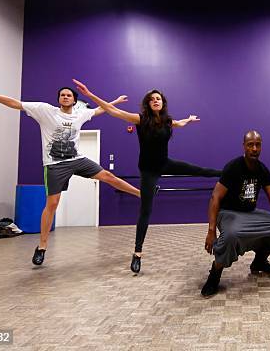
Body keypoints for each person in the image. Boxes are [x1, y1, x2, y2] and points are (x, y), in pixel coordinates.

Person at [0, 83, 140, 266]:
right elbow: (14, 103)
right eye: (62, 95)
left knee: (108, 176)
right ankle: (42, 247)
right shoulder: (45, 110)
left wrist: (116, 101)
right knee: (52, 204)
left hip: (76, 159)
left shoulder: (80, 113)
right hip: (54, 164)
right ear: (58, 99)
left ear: (74, 100)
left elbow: (100, 110)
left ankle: (141, 194)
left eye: (68, 95)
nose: (65, 97)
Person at [73, 79, 221, 274]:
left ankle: (227, 172)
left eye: (158, 98)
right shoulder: (140, 119)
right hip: (148, 170)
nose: (155, 101)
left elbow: (178, 124)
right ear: (148, 104)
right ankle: (137, 253)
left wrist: (188, 120)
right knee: (146, 210)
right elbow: (112, 111)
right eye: (152, 100)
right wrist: (90, 94)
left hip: (164, 163)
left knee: (199, 170)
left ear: (163, 102)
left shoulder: (168, 121)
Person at [201, 130, 270, 297]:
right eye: (250, 144)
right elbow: (215, 197)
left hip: (250, 213)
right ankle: (215, 274)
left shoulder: (262, 169)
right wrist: (211, 230)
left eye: (258, 144)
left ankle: (259, 262)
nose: (254, 148)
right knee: (231, 236)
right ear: (244, 146)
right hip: (228, 213)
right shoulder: (233, 167)